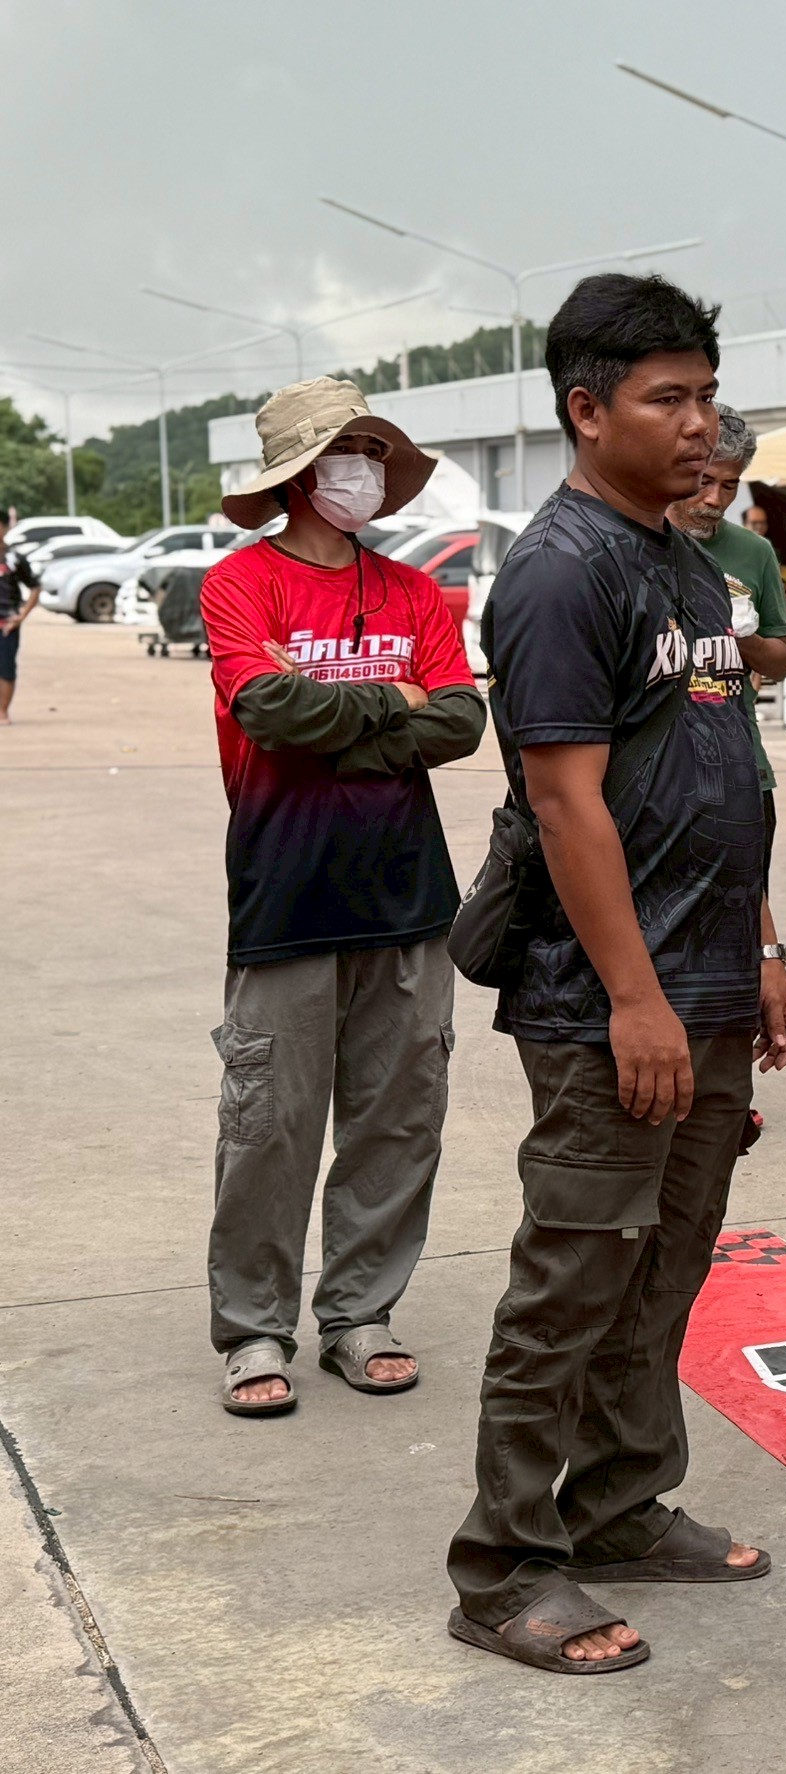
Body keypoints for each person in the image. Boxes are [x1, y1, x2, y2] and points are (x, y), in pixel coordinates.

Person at [447, 274, 786, 1675]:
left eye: (708, 395)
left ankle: (617, 1503)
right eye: (669, 399)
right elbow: (564, 799)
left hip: (709, 977)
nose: (701, 423)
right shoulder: (560, 571)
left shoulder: (688, 563)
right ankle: (503, 1567)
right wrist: (635, 998)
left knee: (664, 1263)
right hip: (610, 999)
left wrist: (759, 947)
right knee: (574, 1276)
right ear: (587, 411)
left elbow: (722, 769)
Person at [194, 378, 485, 1418]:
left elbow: (461, 723)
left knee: (397, 1121)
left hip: (408, 896)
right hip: (286, 892)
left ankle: (361, 1314)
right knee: (269, 1126)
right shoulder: (239, 583)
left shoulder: (411, 592)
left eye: (371, 449)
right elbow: (268, 710)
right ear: (298, 476)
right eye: (342, 451)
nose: (362, 467)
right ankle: (254, 1327)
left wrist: (340, 713)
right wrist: (392, 701)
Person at [666, 403, 786, 877]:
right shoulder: (637, 541)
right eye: (705, 481)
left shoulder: (753, 552)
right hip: (660, 775)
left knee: (747, 908)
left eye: (730, 485)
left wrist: (746, 637)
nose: (715, 499)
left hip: (742, 771)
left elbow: (780, 661)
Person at [0, 541, 32, 724]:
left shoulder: (14, 559)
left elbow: (35, 588)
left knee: (6, 668)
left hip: (6, 624)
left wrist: (21, 616)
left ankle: (3, 712)